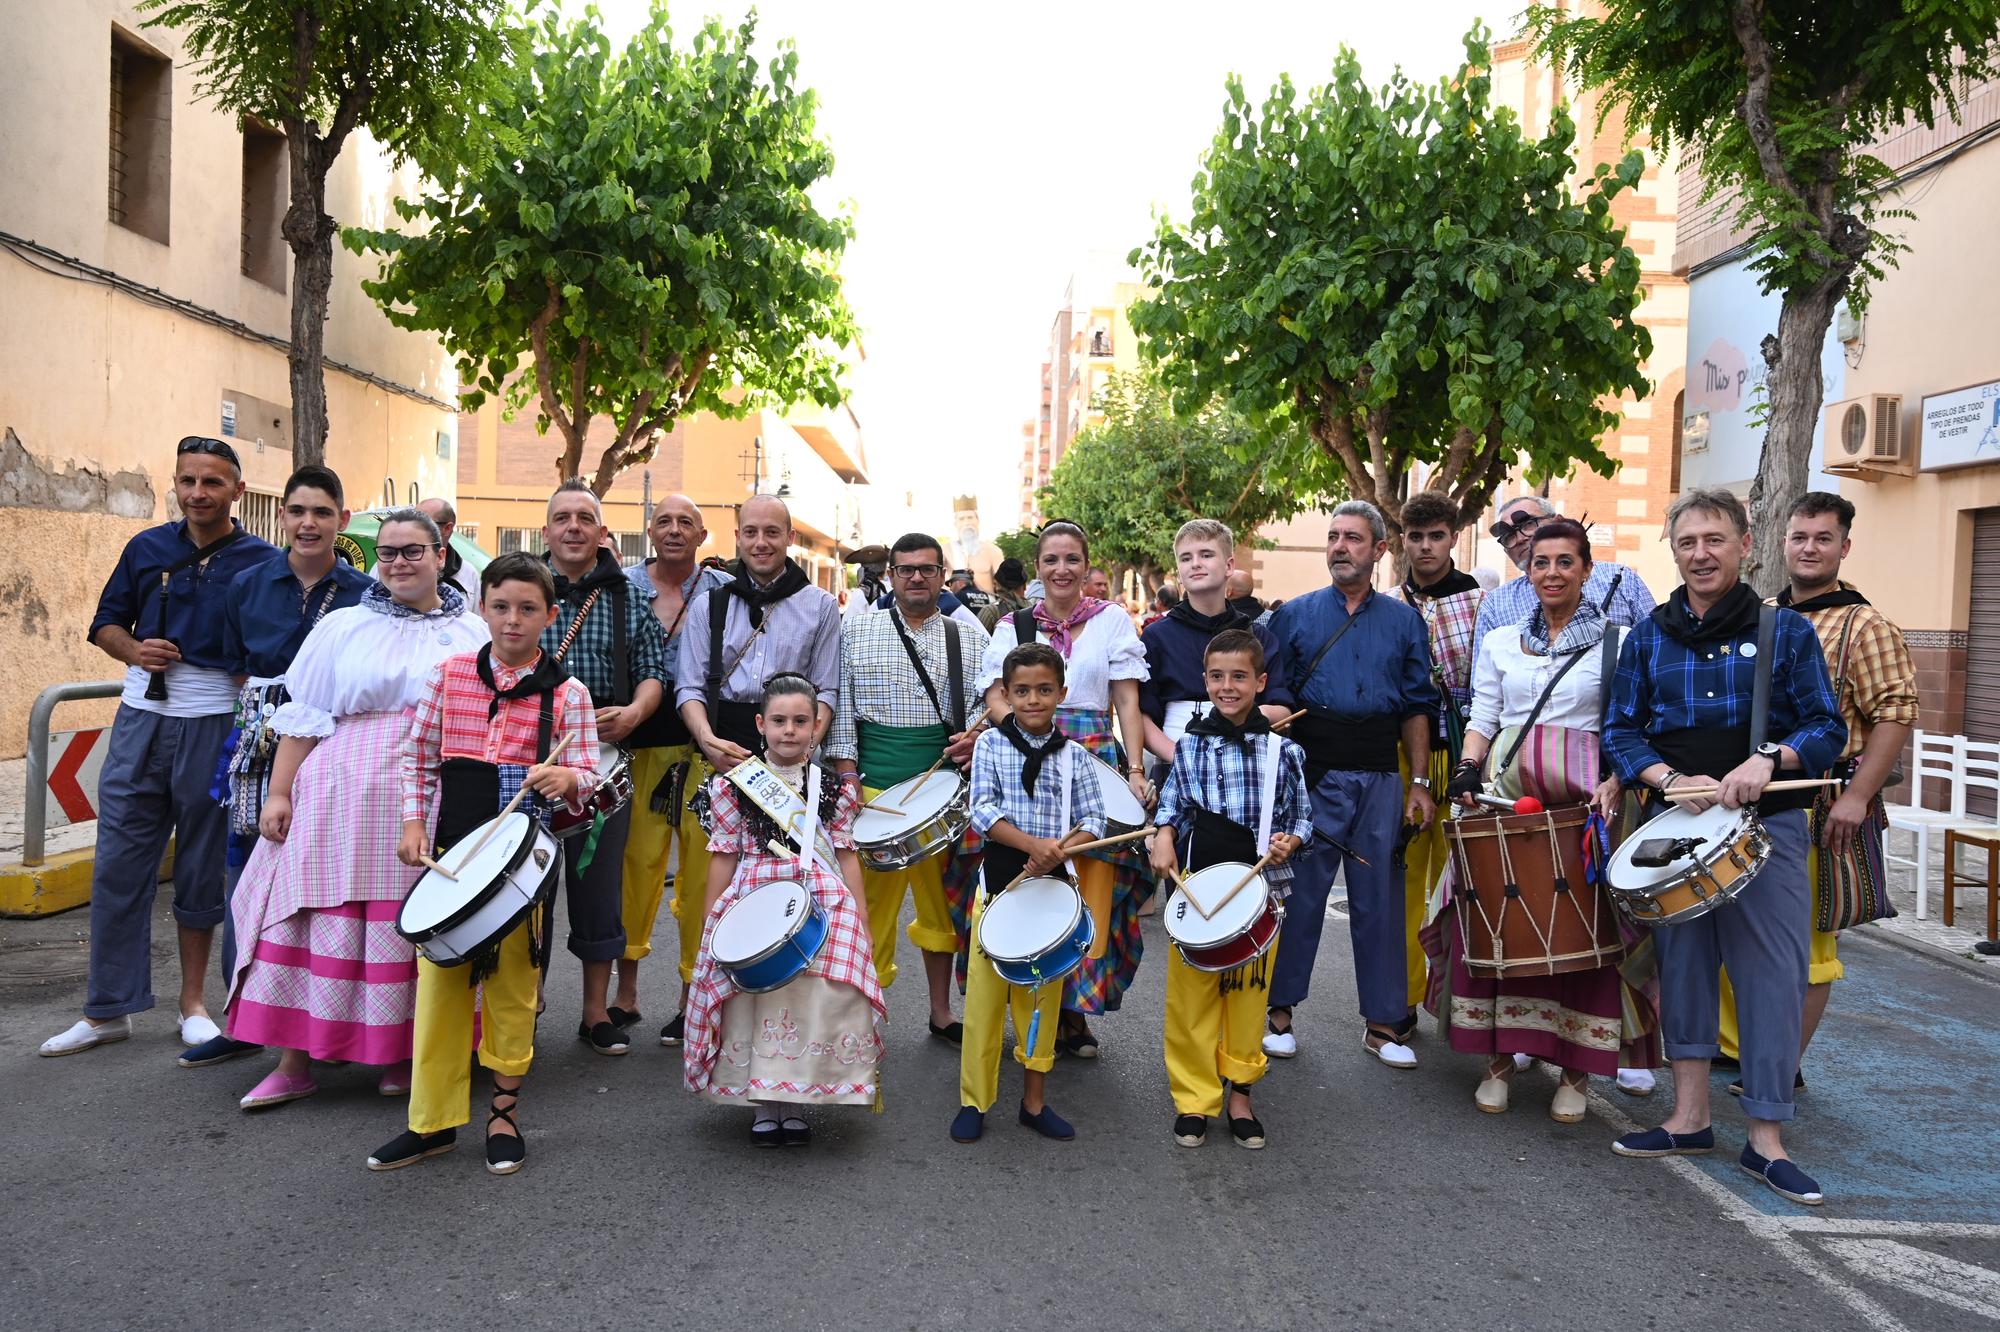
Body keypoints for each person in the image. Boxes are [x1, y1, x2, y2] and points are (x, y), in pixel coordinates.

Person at [1602, 488, 1845, 1207]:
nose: (1701, 553)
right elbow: (1620, 731)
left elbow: (1826, 727)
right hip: (1672, 830)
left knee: (1772, 977)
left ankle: (1767, 1139)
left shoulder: (1787, 633)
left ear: (1745, 544)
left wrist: (1767, 759)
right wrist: (1668, 778)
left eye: (1715, 539)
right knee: (1682, 971)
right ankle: (1689, 1118)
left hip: (1766, 831)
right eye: (1687, 542)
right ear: (1673, 551)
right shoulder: (1648, 636)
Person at [222, 508, 485, 1109]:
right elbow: (307, 713)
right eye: (388, 552)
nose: (398, 563)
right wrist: (281, 792)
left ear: (441, 556)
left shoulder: (472, 633)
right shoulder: (343, 626)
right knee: (311, 911)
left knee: (408, 918)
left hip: (427, 792)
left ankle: (398, 1054)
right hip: (338, 790)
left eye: (413, 551)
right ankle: (294, 1062)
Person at [41, 436, 278, 1058]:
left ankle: (194, 1006)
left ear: (237, 491)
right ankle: (106, 1010)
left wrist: (250, 668)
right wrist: (134, 650)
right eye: (187, 480)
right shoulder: (146, 548)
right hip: (140, 721)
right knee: (118, 865)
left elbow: (278, 643)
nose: (198, 492)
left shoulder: (261, 561)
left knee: (200, 869)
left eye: (212, 482)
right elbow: (105, 624)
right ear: (176, 485)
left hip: (215, 727)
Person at [370, 552, 601, 1173]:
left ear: (550, 616)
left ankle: (503, 1110)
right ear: (482, 608)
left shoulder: (568, 694)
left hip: (521, 870)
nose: (512, 620)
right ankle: (432, 1122)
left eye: (528, 609)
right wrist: (413, 822)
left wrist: (567, 776)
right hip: (452, 854)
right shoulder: (448, 678)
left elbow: (593, 777)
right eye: (500, 606)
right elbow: (416, 759)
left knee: (513, 991)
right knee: (440, 986)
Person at [1429, 518, 1659, 1120]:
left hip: (1588, 806)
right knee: (1496, 924)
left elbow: (1629, 725)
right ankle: (1499, 1062)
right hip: (1505, 797)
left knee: (1584, 939)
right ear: (1527, 573)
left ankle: (1577, 1076)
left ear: (1587, 569)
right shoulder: (1502, 639)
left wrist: (1616, 780)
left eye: (1564, 562)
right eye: (1540, 563)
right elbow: (1484, 715)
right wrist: (1467, 770)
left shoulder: (1621, 640)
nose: (1551, 573)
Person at [1716, 492, 1917, 1085]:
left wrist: (1856, 799)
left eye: (1823, 538)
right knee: (1739, 931)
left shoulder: (1865, 624)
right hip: (1748, 798)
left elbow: (1895, 714)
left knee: (1808, 945)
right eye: (1800, 537)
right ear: (1783, 542)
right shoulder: (1759, 613)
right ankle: (1741, 1050)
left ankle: (1781, 1068)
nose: (1810, 548)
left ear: (1843, 547)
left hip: (1825, 799)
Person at [180, 466, 371, 1069]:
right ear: (282, 517)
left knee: (322, 883)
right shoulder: (247, 583)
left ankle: (324, 1016)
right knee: (246, 878)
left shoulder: (368, 592)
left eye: (321, 512)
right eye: (297, 511)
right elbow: (239, 667)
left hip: (338, 742)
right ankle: (242, 1015)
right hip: (262, 737)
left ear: (341, 519)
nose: (308, 523)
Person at [1263, 501, 1438, 1067]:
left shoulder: (1405, 620)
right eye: (1334, 537)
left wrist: (1419, 783)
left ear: (1380, 550)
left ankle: (1384, 1025)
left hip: (1382, 776)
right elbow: (1278, 696)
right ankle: (1279, 1013)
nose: (1340, 547)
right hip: (1312, 773)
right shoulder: (1292, 615)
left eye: (1354, 539)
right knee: (1299, 893)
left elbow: (1417, 706)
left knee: (1380, 899)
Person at [684, 673, 884, 1145]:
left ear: (817, 726)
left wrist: (861, 919)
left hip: (819, 892)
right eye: (779, 721)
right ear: (760, 724)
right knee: (758, 996)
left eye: (800, 721)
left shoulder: (835, 788)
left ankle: (794, 1101)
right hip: (754, 893)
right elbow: (723, 855)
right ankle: (762, 1106)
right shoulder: (733, 785)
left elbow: (847, 855)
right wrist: (711, 919)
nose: (789, 730)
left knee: (812, 995)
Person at [672, 495, 842, 1048]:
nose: (761, 542)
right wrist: (705, 739)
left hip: (792, 745)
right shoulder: (710, 602)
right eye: (751, 532)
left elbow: (829, 688)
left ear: (789, 536)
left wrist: (804, 743)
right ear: (737, 535)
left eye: (772, 532)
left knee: (794, 878)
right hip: (723, 743)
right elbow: (690, 686)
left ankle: (792, 1004)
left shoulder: (819, 606)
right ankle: (700, 991)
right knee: (716, 875)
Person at [979, 520, 1152, 1056]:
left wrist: (1137, 770)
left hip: (1094, 754)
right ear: (1038, 567)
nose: (1061, 569)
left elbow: (1126, 702)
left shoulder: (1112, 621)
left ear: (1086, 563)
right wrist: (1023, 740)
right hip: (1024, 749)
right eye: (1051, 559)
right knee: (1027, 875)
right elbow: (996, 696)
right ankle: (1024, 996)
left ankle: (1074, 1012)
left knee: (1092, 884)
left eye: (1072, 559)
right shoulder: (1013, 624)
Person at [1148, 630, 1312, 1150]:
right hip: (1200, 881)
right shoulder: (1191, 744)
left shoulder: (1283, 750)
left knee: (1247, 996)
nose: (1227, 686)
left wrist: (1292, 839)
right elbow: (1173, 804)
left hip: (1261, 887)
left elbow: (1302, 816)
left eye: (1239, 676)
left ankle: (1240, 1093)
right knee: (1191, 998)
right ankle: (1195, 1098)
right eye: (1217, 676)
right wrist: (1164, 837)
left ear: (1261, 682)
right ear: (1205, 681)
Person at [827, 533, 988, 1040]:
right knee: (866, 911)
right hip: (872, 791)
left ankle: (941, 1013)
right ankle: (862, 1014)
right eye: (905, 569)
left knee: (941, 905)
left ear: (943, 574)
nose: (916, 577)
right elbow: (842, 711)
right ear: (890, 575)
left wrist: (976, 735)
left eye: (927, 568)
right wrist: (848, 777)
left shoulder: (970, 637)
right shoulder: (854, 630)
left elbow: (991, 703)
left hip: (943, 792)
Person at [953, 642, 1105, 1144]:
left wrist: (1061, 851)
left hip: (1052, 895)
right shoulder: (991, 747)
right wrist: (1031, 845)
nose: (1034, 699)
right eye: (1022, 691)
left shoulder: (1076, 758)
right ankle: (975, 1100)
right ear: (1006, 694)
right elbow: (982, 812)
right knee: (984, 1003)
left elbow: (1095, 820)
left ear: (1062, 693)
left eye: (1044, 690)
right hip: (998, 889)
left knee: (1040, 1001)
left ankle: (1034, 1102)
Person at [540, 480, 670, 1055]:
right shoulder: (521, 584)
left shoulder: (627, 596)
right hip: (527, 760)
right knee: (523, 890)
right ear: (547, 531)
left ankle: (595, 1011)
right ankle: (521, 1005)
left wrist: (638, 711)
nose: (573, 527)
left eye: (584, 518)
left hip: (604, 762)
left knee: (597, 888)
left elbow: (653, 668)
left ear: (602, 532)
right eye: (562, 517)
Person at [613, 494, 730, 1032]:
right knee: (636, 868)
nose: (676, 530)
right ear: (650, 530)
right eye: (665, 521)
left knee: (703, 874)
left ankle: (692, 996)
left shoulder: (723, 593)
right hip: (641, 746)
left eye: (687, 522)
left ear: (703, 536)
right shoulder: (624, 586)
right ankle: (626, 992)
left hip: (705, 747)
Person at [1385, 493, 1483, 1039]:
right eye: (1416, 537)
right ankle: (1399, 996)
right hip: (1407, 756)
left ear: (1452, 537)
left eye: (1436, 536)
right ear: (1403, 540)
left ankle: (1461, 1000)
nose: (1426, 547)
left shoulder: (1481, 601)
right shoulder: (1390, 604)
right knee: (1404, 882)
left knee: (1465, 883)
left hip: (1465, 756)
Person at [1139, 520, 1290, 777]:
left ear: (1229, 565)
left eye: (1206, 555)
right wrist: (1181, 756)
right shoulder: (1155, 637)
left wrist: (1245, 716)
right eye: (1186, 558)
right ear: (1179, 571)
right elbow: (1142, 716)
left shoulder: (1260, 638)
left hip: (1244, 772)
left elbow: (1283, 709)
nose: (1195, 563)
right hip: (1175, 770)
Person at [1470, 495, 1656, 651]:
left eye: (1528, 524)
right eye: (1508, 536)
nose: (1519, 539)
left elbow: (1655, 649)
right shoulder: (1494, 606)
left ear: (1557, 521)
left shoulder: (1620, 579)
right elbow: (1484, 686)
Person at [417, 497, 479, 601]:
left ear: (447, 529)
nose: (412, 528)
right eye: (411, 522)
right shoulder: (390, 566)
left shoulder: (467, 574)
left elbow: (476, 616)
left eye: (422, 524)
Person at [979, 557, 1030, 633]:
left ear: (999, 585)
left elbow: (978, 641)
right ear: (1023, 586)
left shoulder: (990, 611)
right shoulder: (1033, 609)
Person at [843, 544, 890, 623]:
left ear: (862, 571)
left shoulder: (860, 592)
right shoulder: (893, 590)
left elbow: (846, 624)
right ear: (885, 570)